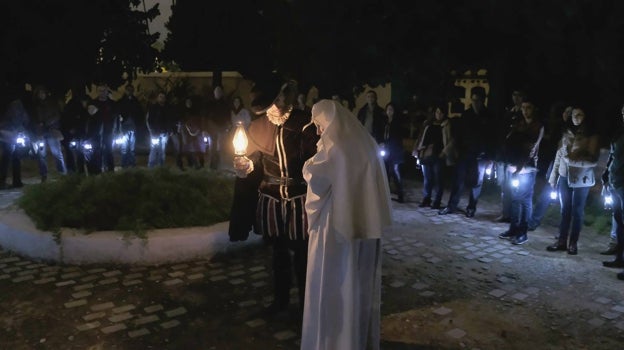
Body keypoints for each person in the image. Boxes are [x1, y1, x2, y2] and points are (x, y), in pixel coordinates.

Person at [300, 99, 391, 350]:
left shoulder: (334, 148)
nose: (318, 131)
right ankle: (354, 337)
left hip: (335, 226)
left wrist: (307, 165)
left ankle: (333, 339)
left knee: (334, 280)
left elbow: (315, 179)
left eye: (319, 125)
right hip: (362, 224)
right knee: (357, 281)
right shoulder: (365, 144)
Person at [232, 80, 318, 317]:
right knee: (278, 255)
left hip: (299, 198)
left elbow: (318, 159)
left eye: (279, 99)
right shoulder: (258, 126)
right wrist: (246, 165)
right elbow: (254, 162)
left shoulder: (304, 121)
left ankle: (306, 307)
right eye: (271, 103)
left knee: (302, 255)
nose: (277, 106)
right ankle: (280, 302)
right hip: (270, 199)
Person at [546, 107, 599, 255]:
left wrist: (572, 161)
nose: (576, 117)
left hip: (581, 178)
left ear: (586, 116)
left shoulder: (591, 135)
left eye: (580, 114)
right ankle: (562, 241)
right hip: (564, 176)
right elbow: (559, 154)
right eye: (574, 115)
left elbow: (593, 160)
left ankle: (573, 243)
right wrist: (553, 176)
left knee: (577, 211)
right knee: (565, 210)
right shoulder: (566, 131)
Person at [439, 92, 495, 217]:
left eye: (478, 100)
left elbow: (492, 138)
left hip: (481, 155)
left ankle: (471, 207)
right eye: (474, 100)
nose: (475, 102)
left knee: (477, 182)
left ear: (483, 101)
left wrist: (490, 157)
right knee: (458, 180)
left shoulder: (489, 116)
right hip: (465, 153)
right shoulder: (467, 114)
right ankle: (451, 205)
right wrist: (456, 151)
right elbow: (458, 134)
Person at [499, 99, 544, 245]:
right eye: (523, 107)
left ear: (534, 109)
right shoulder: (518, 123)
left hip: (527, 168)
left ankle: (522, 232)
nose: (525, 110)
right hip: (514, 166)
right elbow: (510, 142)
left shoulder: (538, 126)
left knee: (524, 199)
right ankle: (513, 228)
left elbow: (532, 148)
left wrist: (519, 166)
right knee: (515, 198)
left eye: (528, 107)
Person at [527, 104, 572, 231]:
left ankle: (564, 229)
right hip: (556, 164)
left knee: (566, 199)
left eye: (570, 113)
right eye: (565, 112)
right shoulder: (560, 127)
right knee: (546, 192)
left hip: (571, 169)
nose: (567, 115)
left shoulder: (577, 131)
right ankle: (534, 220)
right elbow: (553, 145)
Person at [414, 103, 455, 209]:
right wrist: (418, 150)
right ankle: (426, 198)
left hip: (439, 155)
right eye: (437, 112)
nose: (439, 114)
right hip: (426, 154)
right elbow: (421, 138)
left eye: (441, 113)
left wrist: (444, 152)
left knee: (438, 179)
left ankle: (437, 201)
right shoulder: (428, 124)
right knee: (427, 178)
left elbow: (451, 140)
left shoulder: (447, 124)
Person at [495, 90, 525, 222]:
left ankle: (515, 215)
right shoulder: (509, 113)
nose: (516, 98)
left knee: (515, 188)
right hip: (504, 155)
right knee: (504, 187)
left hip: (516, 157)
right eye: (514, 95)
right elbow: (501, 132)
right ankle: (506, 213)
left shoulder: (523, 115)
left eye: (519, 95)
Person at [601, 103, 624, 280]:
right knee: (620, 223)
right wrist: (606, 176)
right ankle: (620, 258)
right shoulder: (620, 132)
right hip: (616, 182)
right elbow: (613, 155)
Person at [31, 85, 67, 181]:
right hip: (41, 133)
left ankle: (62, 173)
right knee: (41, 155)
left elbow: (57, 115)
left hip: (52, 130)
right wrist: (38, 126)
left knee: (57, 153)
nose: (41, 95)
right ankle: (44, 175)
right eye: (39, 93)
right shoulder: (35, 106)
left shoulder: (52, 104)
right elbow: (33, 119)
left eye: (43, 93)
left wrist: (46, 123)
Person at [86, 83, 118, 174]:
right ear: (97, 91)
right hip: (95, 133)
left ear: (107, 91)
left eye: (104, 91)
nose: (102, 93)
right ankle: (97, 172)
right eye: (100, 91)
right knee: (96, 152)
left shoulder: (112, 104)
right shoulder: (93, 103)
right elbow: (90, 116)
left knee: (109, 152)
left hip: (108, 132)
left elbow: (115, 117)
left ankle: (110, 172)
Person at [0, 96, 30, 189]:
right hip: (11, 135)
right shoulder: (18, 108)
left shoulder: (11, 108)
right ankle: (15, 181)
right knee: (13, 159)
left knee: (8, 159)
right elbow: (24, 121)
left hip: (10, 136)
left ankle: (5, 181)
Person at [380, 102, 406, 202]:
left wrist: (387, 144)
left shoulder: (397, 123)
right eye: (388, 109)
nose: (389, 111)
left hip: (395, 151)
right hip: (386, 151)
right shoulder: (385, 122)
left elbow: (397, 137)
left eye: (391, 109)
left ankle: (400, 195)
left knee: (395, 171)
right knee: (385, 171)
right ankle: (386, 194)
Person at [116, 84, 143, 168]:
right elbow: (118, 112)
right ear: (126, 90)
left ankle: (132, 163)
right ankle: (124, 164)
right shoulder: (122, 101)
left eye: (131, 90)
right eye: (128, 90)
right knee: (124, 147)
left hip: (133, 127)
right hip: (124, 126)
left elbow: (140, 113)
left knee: (132, 147)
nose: (130, 92)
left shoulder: (135, 101)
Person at [146, 91, 172, 168]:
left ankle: (161, 166)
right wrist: (152, 132)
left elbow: (169, 120)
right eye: (160, 97)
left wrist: (169, 130)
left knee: (162, 150)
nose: (162, 98)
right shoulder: (153, 108)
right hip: (155, 133)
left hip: (164, 133)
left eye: (163, 97)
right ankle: (151, 166)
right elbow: (149, 121)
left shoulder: (167, 108)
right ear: (157, 98)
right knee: (154, 150)